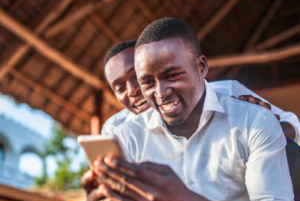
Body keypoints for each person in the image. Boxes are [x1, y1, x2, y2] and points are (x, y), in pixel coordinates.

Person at [82, 18, 296, 201]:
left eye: (172, 75)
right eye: (147, 82)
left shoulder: (252, 117)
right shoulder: (127, 135)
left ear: (201, 67)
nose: (160, 93)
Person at [102, 40, 300, 142]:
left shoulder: (226, 92)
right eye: (119, 87)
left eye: (138, 77)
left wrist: (259, 133)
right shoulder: (116, 129)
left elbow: (292, 124)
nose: (132, 90)